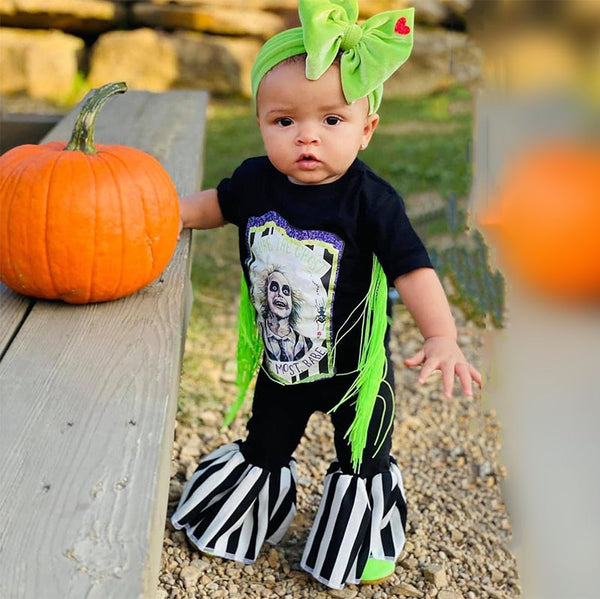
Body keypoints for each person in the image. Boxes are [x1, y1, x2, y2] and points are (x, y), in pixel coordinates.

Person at [171, 0, 481, 590]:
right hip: (284, 363)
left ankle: (360, 543)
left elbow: (413, 269)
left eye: (332, 120)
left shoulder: (371, 201)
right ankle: (244, 518)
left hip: (356, 376)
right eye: (284, 121)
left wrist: (442, 335)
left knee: (362, 458)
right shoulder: (256, 180)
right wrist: (169, 212)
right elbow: (216, 204)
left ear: (367, 130)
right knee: (266, 442)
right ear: (260, 122)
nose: (307, 136)